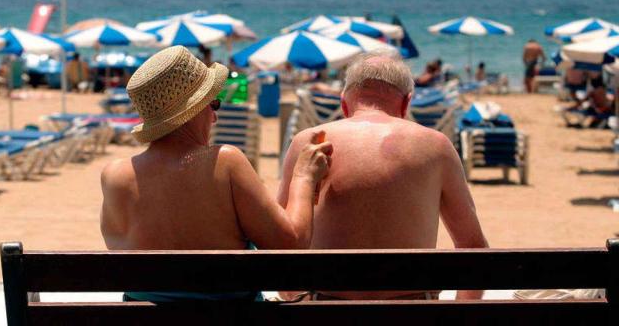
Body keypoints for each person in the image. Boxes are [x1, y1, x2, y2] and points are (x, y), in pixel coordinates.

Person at [100, 46, 333, 302]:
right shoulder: (224, 162)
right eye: (213, 104)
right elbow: (292, 248)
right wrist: (304, 177)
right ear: (194, 111)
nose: (215, 118)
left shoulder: (114, 177)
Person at [279, 51, 489, 301]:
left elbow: (278, 242)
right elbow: (474, 248)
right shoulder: (436, 146)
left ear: (344, 103)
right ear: (406, 103)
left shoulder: (309, 143)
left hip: (326, 311)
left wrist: (294, 298)